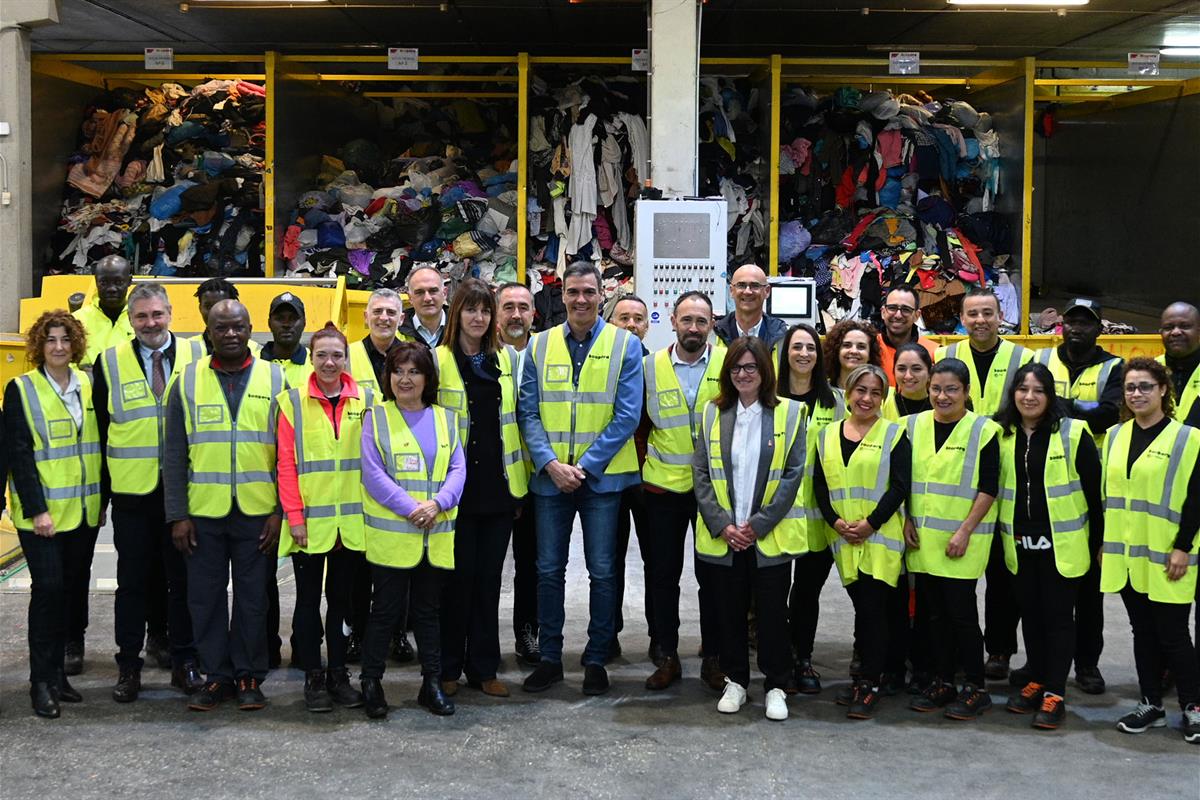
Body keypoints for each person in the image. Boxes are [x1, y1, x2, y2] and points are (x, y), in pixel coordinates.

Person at [517, 261, 643, 696]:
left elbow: (627, 416)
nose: (581, 300)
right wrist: (552, 464)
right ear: (562, 296)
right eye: (573, 292)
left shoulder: (625, 346)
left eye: (589, 292)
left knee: (603, 572)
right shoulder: (538, 346)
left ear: (601, 295)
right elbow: (527, 413)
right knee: (548, 570)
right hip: (550, 480)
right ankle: (550, 658)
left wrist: (583, 467)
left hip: (602, 482)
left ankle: (595, 660)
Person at [164, 300, 284, 712]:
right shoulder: (186, 381)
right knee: (205, 598)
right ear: (207, 330)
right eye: (221, 328)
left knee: (254, 599)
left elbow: (288, 454)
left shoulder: (276, 377)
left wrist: (279, 511)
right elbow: (174, 455)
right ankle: (217, 677)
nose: (230, 334)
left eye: (237, 327)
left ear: (251, 328)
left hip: (257, 514)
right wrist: (177, 514)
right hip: (203, 516)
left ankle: (249, 675)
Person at [93, 283, 205, 703]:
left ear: (171, 313)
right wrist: (102, 497)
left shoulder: (197, 356)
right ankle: (128, 666)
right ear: (130, 319)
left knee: (183, 582)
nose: (150, 323)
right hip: (132, 496)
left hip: (184, 494)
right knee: (132, 583)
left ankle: (185, 663)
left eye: (157, 314)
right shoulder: (109, 363)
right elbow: (101, 434)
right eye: (141, 316)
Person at [693, 337, 806, 721]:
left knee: (773, 614)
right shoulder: (712, 412)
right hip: (725, 536)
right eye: (736, 368)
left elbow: (792, 474)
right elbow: (701, 472)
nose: (743, 374)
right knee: (729, 611)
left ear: (765, 372)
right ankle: (736, 680)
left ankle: (776, 684)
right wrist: (723, 525)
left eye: (751, 368)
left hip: (766, 536)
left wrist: (756, 525)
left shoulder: (790, 414)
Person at [433, 278, 529, 700]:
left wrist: (518, 490)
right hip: (455, 492)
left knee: (490, 583)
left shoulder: (503, 360)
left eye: (485, 310)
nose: (479, 317)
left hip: (498, 488)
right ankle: (449, 667)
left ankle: (484, 668)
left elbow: (516, 423)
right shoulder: (438, 361)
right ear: (457, 314)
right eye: (470, 309)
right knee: (457, 583)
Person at [359, 342, 465, 718]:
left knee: (428, 612)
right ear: (388, 377)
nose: (405, 379)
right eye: (398, 371)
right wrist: (413, 509)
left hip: (433, 535)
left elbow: (457, 469)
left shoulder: (446, 419)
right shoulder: (376, 417)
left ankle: (431, 683)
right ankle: (371, 682)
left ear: (427, 378)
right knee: (385, 612)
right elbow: (373, 474)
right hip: (394, 536)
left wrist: (438, 504)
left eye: (414, 371)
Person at [995, 363, 1104, 730]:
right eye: (1022, 389)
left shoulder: (1074, 433)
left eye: (1038, 390)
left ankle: (1055, 691)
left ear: (1050, 396)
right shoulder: (1002, 435)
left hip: (1063, 546)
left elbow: (1095, 495)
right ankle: (1037, 678)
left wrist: (1099, 544)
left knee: (1058, 619)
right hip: (1020, 543)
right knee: (1032, 615)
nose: (1029, 396)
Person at [6, 311, 101, 718]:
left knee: (69, 594)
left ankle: (59, 676)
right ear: (39, 347)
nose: (59, 347)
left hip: (82, 511)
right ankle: (40, 683)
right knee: (47, 593)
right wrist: (37, 509)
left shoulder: (86, 382)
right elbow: (19, 455)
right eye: (50, 341)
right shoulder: (21, 389)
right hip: (43, 517)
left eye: (65, 339)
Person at [1100, 357, 1200, 744]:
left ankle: (1192, 707)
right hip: (1127, 556)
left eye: (1145, 386)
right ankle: (1151, 704)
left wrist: (1183, 547)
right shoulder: (1114, 436)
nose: (1137, 393)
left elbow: (1195, 499)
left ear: (1163, 390)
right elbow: (1111, 498)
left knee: (1173, 633)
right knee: (1142, 632)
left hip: (1168, 557)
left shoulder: (1187, 438)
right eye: (1130, 387)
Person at [935, 287, 1033, 681]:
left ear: (1000, 316)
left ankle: (999, 650)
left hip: (1007, 472)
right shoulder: (949, 356)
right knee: (955, 573)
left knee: (1001, 575)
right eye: (972, 313)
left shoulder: (1022, 359)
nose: (980, 321)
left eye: (987, 313)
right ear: (962, 316)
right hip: (956, 476)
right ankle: (959, 646)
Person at [276, 323, 370, 713]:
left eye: (336, 355)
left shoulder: (366, 400)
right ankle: (313, 677)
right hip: (309, 525)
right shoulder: (291, 402)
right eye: (321, 355)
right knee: (307, 602)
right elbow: (285, 465)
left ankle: (338, 674)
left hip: (350, 525)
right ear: (310, 358)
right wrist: (294, 517)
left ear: (346, 359)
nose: (329, 362)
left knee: (341, 603)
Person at [1030, 297, 1120, 696]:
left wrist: (1062, 406)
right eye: (1072, 322)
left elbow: (1110, 414)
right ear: (1061, 325)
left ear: (1099, 328)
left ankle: (1086, 664)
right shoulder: (1044, 361)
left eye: (1087, 323)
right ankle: (1040, 665)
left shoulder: (1113, 367)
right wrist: (1085, 409)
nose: (1078, 329)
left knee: (1087, 586)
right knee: (1043, 588)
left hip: (1090, 485)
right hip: (1046, 485)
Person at [904, 358, 1001, 721]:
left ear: (966, 392)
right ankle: (943, 680)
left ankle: (975, 687)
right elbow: (904, 481)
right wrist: (907, 520)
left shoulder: (983, 431)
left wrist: (964, 531)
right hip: (922, 541)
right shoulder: (911, 427)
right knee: (933, 617)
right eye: (936, 389)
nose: (942, 397)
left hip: (962, 542)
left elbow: (989, 488)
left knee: (961, 616)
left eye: (951, 390)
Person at [812, 364, 910, 719]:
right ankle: (870, 676)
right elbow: (819, 484)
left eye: (875, 393)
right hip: (844, 538)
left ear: (883, 398)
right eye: (860, 391)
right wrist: (835, 521)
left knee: (872, 611)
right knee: (865, 610)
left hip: (880, 537)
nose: (866, 398)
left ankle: (869, 682)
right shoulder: (826, 435)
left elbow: (900, 486)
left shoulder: (894, 435)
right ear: (848, 393)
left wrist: (870, 524)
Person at [640, 291, 725, 691]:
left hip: (714, 492)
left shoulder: (729, 364)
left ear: (712, 324)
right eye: (687, 320)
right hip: (663, 488)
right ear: (672, 320)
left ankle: (714, 657)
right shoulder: (648, 367)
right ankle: (666, 654)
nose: (693, 328)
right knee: (662, 575)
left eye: (701, 321)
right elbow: (638, 424)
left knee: (713, 577)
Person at [345, 287, 414, 663]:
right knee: (359, 562)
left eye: (391, 312)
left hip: (402, 471)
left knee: (398, 561)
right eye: (378, 312)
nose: (384, 318)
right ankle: (357, 632)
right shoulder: (349, 355)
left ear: (401, 318)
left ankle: (397, 634)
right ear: (367, 316)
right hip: (357, 471)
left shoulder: (413, 355)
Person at [776, 323, 845, 694]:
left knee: (806, 593)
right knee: (771, 592)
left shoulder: (835, 402)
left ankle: (802, 658)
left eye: (811, 348)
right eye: (797, 347)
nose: (804, 353)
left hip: (819, 516)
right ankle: (777, 661)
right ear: (785, 353)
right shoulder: (769, 397)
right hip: (775, 514)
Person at [496, 282, 540, 666]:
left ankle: (528, 633)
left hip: (537, 480)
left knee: (531, 564)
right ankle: (481, 642)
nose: (515, 314)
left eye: (522, 308)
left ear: (533, 314)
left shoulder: (545, 351)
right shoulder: (482, 355)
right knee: (485, 566)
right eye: (507, 307)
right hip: (494, 482)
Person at [610, 294, 653, 664]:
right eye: (624, 317)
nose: (632, 325)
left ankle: (659, 640)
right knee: (610, 559)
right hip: (610, 476)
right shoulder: (603, 365)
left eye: (638, 319)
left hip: (650, 479)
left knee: (656, 561)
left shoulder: (657, 367)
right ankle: (609, 633)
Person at [73, 254, 135, 371]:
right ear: (96, 281)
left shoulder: (143, 320)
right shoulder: (77, 320)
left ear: (129, 281)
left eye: (118, 282)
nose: (111, 289)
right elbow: (64, 364)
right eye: (104, 283)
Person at [712, 262, 787, 348]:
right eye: (741, 285)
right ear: (731, 291)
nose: (747, 292)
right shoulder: (714, 334)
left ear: (767, 291)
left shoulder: (782, 336)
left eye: (755, 285)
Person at [876, 286, 937, 386]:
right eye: (892, 308)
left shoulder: (933, 352)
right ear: (883, 312)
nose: (898, 315)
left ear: (917, 315)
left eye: (906, 309)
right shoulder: (869, 347)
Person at [190, 278, 261, 356]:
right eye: (208, 306)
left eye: (220, 306)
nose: (213, 312)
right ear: (200, 308)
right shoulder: (187, 348)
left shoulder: (257, 351)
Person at [1158, 301, 1200, 429]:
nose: (1175, 332)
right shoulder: (1149, 371)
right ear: (1160, 332)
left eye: (1185, 326)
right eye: (1168, 327)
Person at [262, 292, 313, 388]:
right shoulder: (253, 362)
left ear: (304, 323)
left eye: (293, 318)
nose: (286, 324)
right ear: (269, 323)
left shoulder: (315, 365)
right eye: (280, 318)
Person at [824, 319, 882, 391]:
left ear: (870, 354)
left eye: (861, 347)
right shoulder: (821, 390)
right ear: (836, 351)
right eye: (847, 345)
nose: (854, 351)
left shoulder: (881, 392)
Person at [398, 265, 448, 347]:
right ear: (410, 298)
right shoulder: (395, 333)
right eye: (419, 292)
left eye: (433, 291)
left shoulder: (462, 327)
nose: (427, 298)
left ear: (444, 293)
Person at [882, 343, 933, 420]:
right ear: (893, 372)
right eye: (901, 369)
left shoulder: (941, 405)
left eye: (916, 369)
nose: (908, 376)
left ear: (929, 373)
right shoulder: (883, 403)